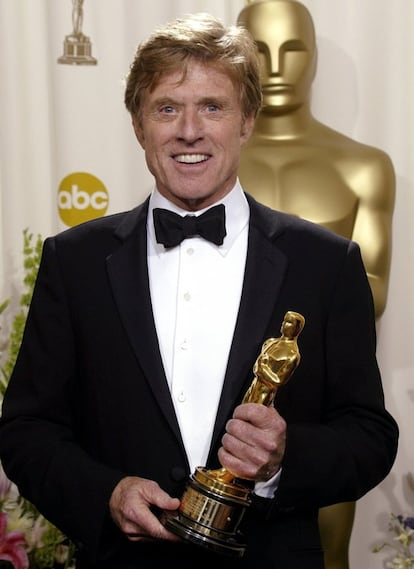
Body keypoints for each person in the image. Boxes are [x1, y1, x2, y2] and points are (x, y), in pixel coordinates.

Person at [0, 12, 398, 569]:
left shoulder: (327, 263)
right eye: (167, 108)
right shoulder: (75, 261)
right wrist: (106, 493)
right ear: (139, 125)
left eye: (213, 106)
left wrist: (283, 459)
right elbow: (26, 429)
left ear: (247, 120)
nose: (190, 130)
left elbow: (370, 436)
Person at [236, 2, 396, 567]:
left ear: (316, 57)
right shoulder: (207, 158)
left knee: (327, 555)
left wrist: (275, 318)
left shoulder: (362, 166)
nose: (277, 66)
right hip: (219, 400)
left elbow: (373, 285)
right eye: (261, 48)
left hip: (323, 405)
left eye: (294, 49)